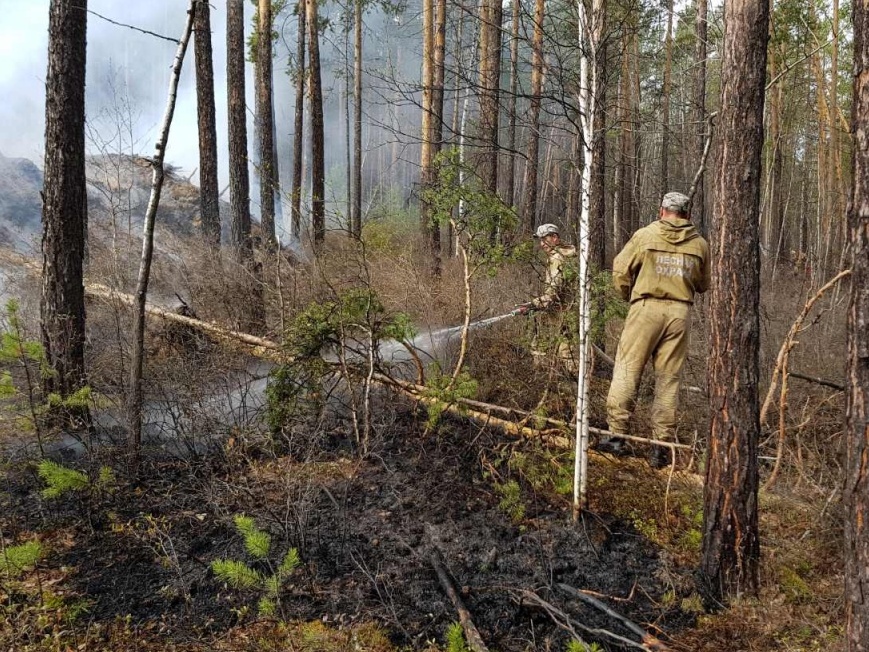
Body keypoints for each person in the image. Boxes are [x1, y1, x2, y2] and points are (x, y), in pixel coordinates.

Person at [600, 192, 710, 468]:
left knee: (627, 369)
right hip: (679, 313)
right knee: (669, 380)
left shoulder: (645, 236)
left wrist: (630, 296)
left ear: (662, 211)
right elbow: (703, 284)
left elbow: (620, 270)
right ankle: (660, 447)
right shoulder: (699, 244)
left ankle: (616, 437)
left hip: (646, 307)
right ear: (687, 214)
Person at [516, 223, 578, 374]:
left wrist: (533, 304)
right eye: (540, 240)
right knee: (567, 347)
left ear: (555, 238)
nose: (542, 244)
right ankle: (573, 382)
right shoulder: (567, 254)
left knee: (541, 345)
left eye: (545, 240)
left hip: (560, 310)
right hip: (568, 309)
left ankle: (541, 378)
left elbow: (553, 291)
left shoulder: (557, 258)